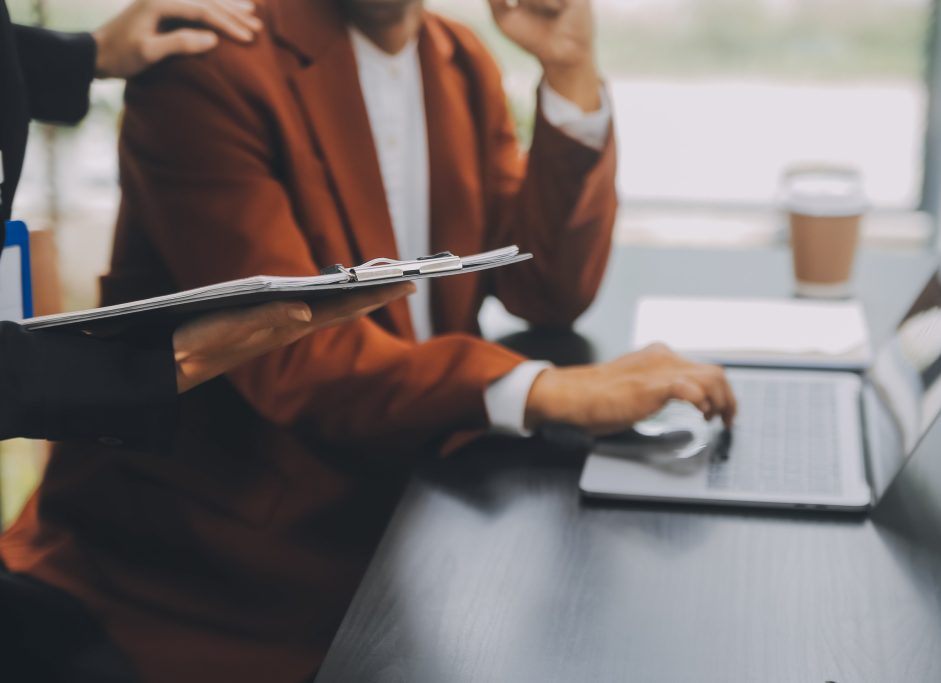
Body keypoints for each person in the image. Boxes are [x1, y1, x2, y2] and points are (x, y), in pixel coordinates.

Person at [1, 1, 738, 682]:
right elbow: (286, 351)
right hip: (208, 577)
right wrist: (538, 389)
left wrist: (569, 71)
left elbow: (546, 288)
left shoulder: (458, 59)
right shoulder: (211, 72)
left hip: (407, 522)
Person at [0, 0, 412, 444]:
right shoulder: (212, 69)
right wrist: (149, 368)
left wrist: (75, 58)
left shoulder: (458, 56)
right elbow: (292, 366)